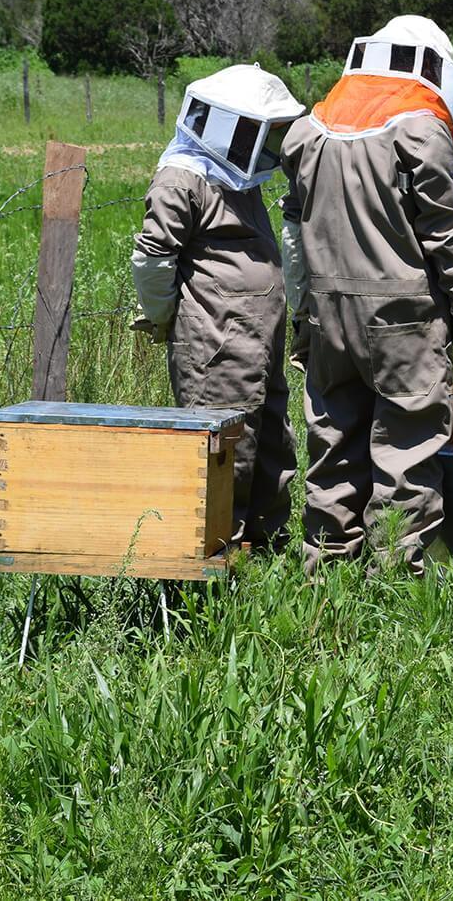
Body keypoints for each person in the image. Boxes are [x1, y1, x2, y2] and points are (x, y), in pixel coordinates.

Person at [280, 14, 453, 575]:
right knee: (405, 453)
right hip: (403, 318)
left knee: (333, 446)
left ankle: (327, 577)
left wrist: (302, 313)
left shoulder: (312, 126)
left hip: (328, 316)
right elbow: (444, 234)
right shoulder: (418, 126)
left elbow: (294, 235)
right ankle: (393, 589)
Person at [131, 63, 302, 550]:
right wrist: (163, 317)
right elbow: (153, 260)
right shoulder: (181, 178)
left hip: (257, 336)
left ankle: (266, 543)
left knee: (270, 436)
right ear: (228, 127)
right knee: (228, 443)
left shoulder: (235, 176)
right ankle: (220, 553)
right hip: (216, 337)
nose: (267, 144)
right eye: (259, 132)